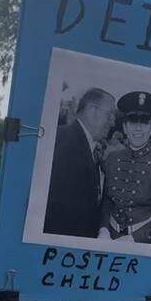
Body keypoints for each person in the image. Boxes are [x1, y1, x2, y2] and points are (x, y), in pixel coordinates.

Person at [44, 88, 116, 238]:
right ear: (91, 110)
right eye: (109, 115)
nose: (113, 122)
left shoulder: (89, 147)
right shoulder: (62, 140)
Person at [98, 91, 151, 244]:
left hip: (141, 242)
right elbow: (106, 202)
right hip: (109, 237)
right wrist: (103, 229)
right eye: (132, 122)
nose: (138, 129)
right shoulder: (112, 159)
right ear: (124, 127)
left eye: (144, 122)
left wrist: (135, 238)